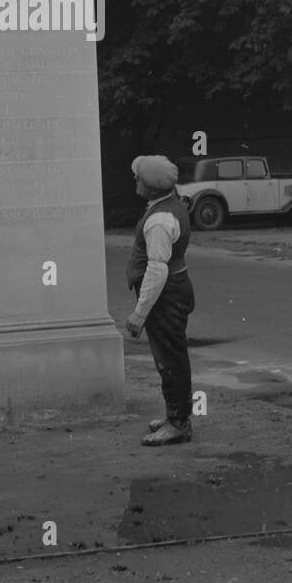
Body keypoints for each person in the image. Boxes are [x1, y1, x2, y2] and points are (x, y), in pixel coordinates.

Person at [125, 154, 195, 446]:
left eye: (139, 177)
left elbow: (157, 269)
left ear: (151, 187)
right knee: (170, 357)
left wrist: (138, 315)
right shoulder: (166, 206)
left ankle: (178, 424)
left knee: (170, 361)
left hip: (166, 298)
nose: (135, 180)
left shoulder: (159, 221)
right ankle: (174, 416)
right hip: (173, 293)